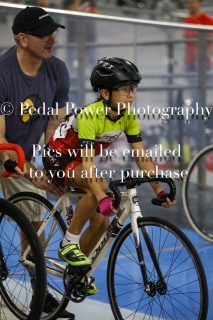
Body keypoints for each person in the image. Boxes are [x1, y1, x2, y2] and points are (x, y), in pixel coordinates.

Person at [43, 57, 176, 294]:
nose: (130, 94)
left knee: (102, 222)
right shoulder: (90, 116)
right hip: (59, 156)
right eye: (124, 89)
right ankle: (68, 242)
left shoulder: (127, 116)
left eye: (132, 88)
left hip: (79, 161)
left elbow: (142, 158)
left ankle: (76, 272)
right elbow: (87, 163)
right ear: (105, 93)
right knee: (100, 186)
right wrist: (101, 194)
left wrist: (158, 189)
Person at [0, 6, 75, 319]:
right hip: (5, 148)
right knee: (27, 188)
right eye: (44, 34)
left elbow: (54, 130)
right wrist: (31, 173)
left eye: (53, 32)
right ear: (22, 38)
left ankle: (38, 292)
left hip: (22, 153)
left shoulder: (57, 70)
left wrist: (55, 168)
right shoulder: (2, 73)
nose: (52, 39)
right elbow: (3, 147)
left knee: (35, 215)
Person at [183, 0, 213, 101]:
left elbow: (211, 43)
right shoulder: (188, 19)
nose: (190, 5)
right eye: (188, 2)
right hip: (189, 63)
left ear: (199, 3)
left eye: (193, 2)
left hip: (202, 64)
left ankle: (198, 115)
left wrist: (204, 58)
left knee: (198, 93)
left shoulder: (207, 20)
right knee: (193, 93)